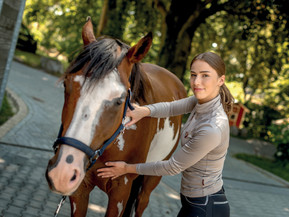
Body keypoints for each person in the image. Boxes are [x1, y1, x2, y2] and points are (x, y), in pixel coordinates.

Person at [97, 51, 234, 217]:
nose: (196, 82)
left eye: (205, 75)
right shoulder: (202, 102)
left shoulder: (212, 127)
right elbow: (171, 107)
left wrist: (126, 168)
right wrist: (144, 111)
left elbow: (172, 166)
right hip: (196, 202)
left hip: (206, 206)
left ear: (221, 80)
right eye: (193, 75)